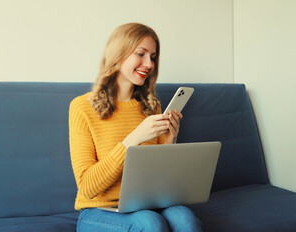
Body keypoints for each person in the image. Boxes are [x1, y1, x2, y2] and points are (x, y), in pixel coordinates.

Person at [69, 23, 203, 232]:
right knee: (150, 223)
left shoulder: (152, 107)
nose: (148, 64)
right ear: (118, 54)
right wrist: (134, 139)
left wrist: (170, 143)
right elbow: (87, 187)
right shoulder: (82, 107)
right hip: (98, 211)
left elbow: (159, 182)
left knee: (184, 218)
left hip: (147, 205)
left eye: (153, 56)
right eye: (141, 54)